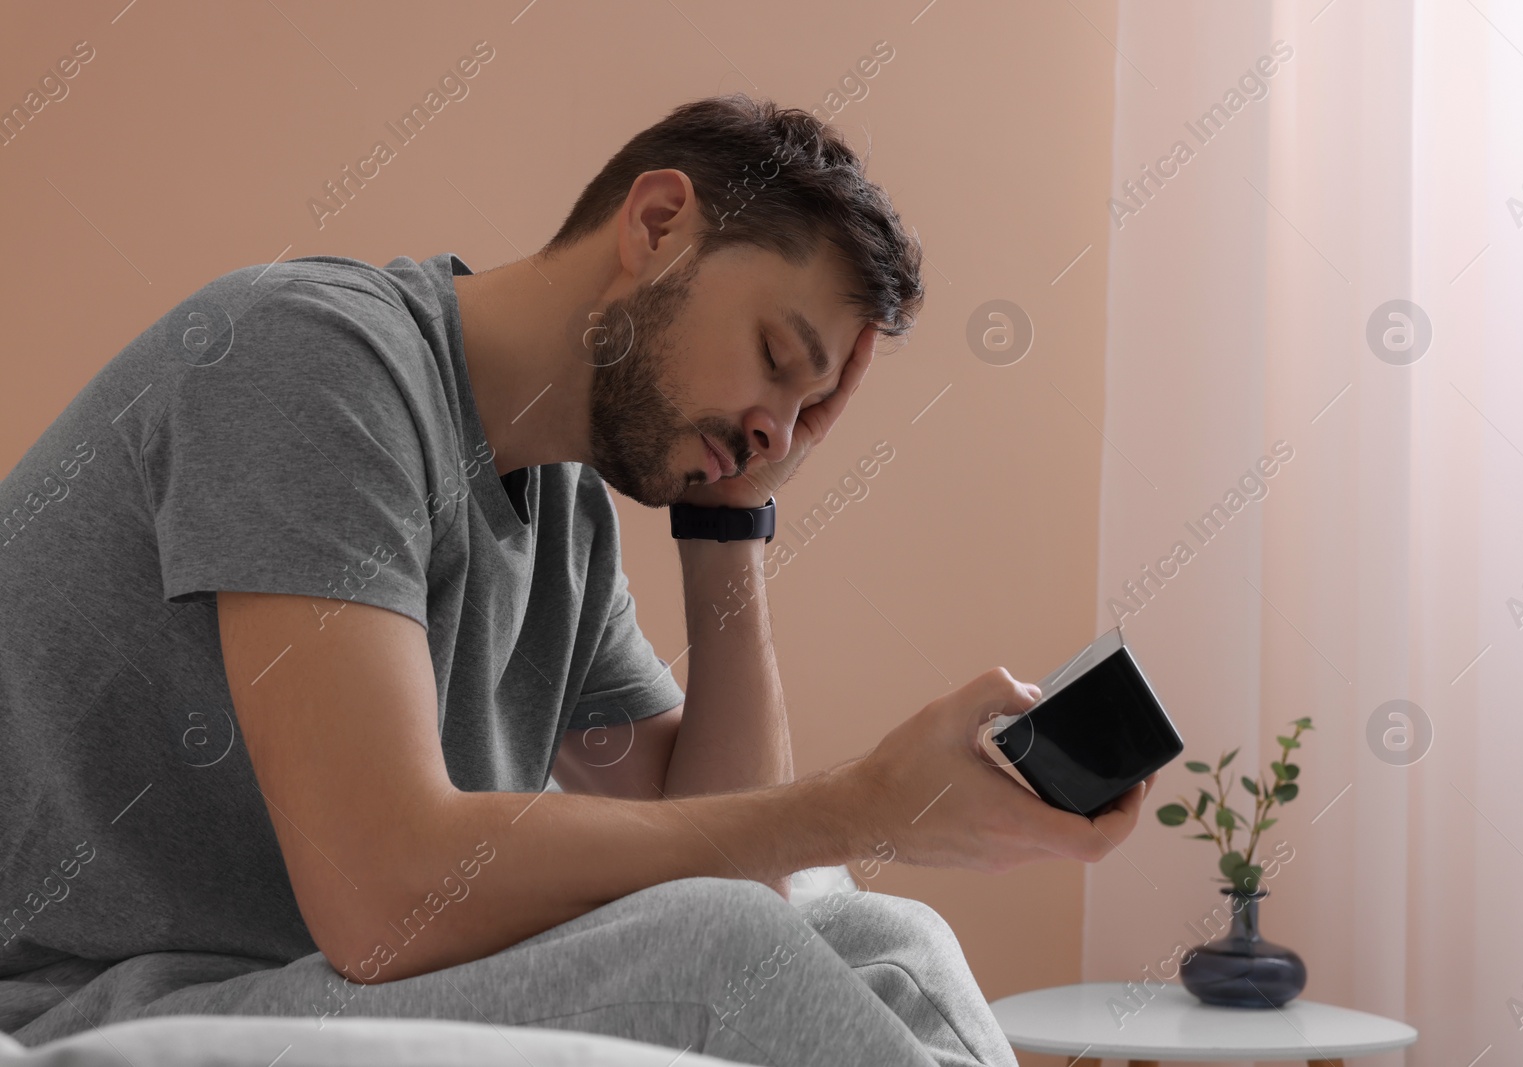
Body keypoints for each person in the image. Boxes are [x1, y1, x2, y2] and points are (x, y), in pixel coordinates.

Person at [0, 93, 1152, 1067]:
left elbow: (724, 846)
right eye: (776, 360)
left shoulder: (564, 517)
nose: (775, 427)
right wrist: (863, 803)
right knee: (715, 951)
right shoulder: (310, 361)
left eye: (808, 412)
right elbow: (386, 891)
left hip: (308, 980)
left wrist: (733, 515)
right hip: (102, 993)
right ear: (658, 224)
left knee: (888, 929)